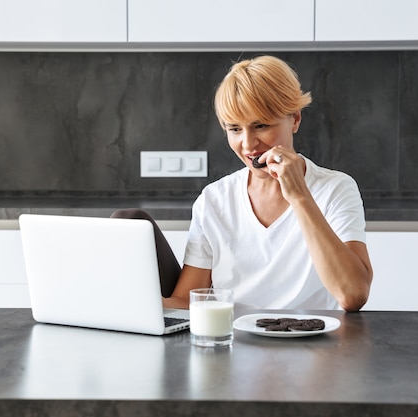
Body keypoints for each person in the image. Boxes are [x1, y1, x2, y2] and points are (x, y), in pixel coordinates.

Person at [116, 55, 373, 312]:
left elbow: (353, 295)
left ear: (295, 120)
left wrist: (299, 196)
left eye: (260, 125)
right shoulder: (214, 200)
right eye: (235, 129)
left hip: (309, 345)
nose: (248, 145)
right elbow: (185, 301)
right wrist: (130, 303)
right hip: (231, 344)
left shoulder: (336, 189)